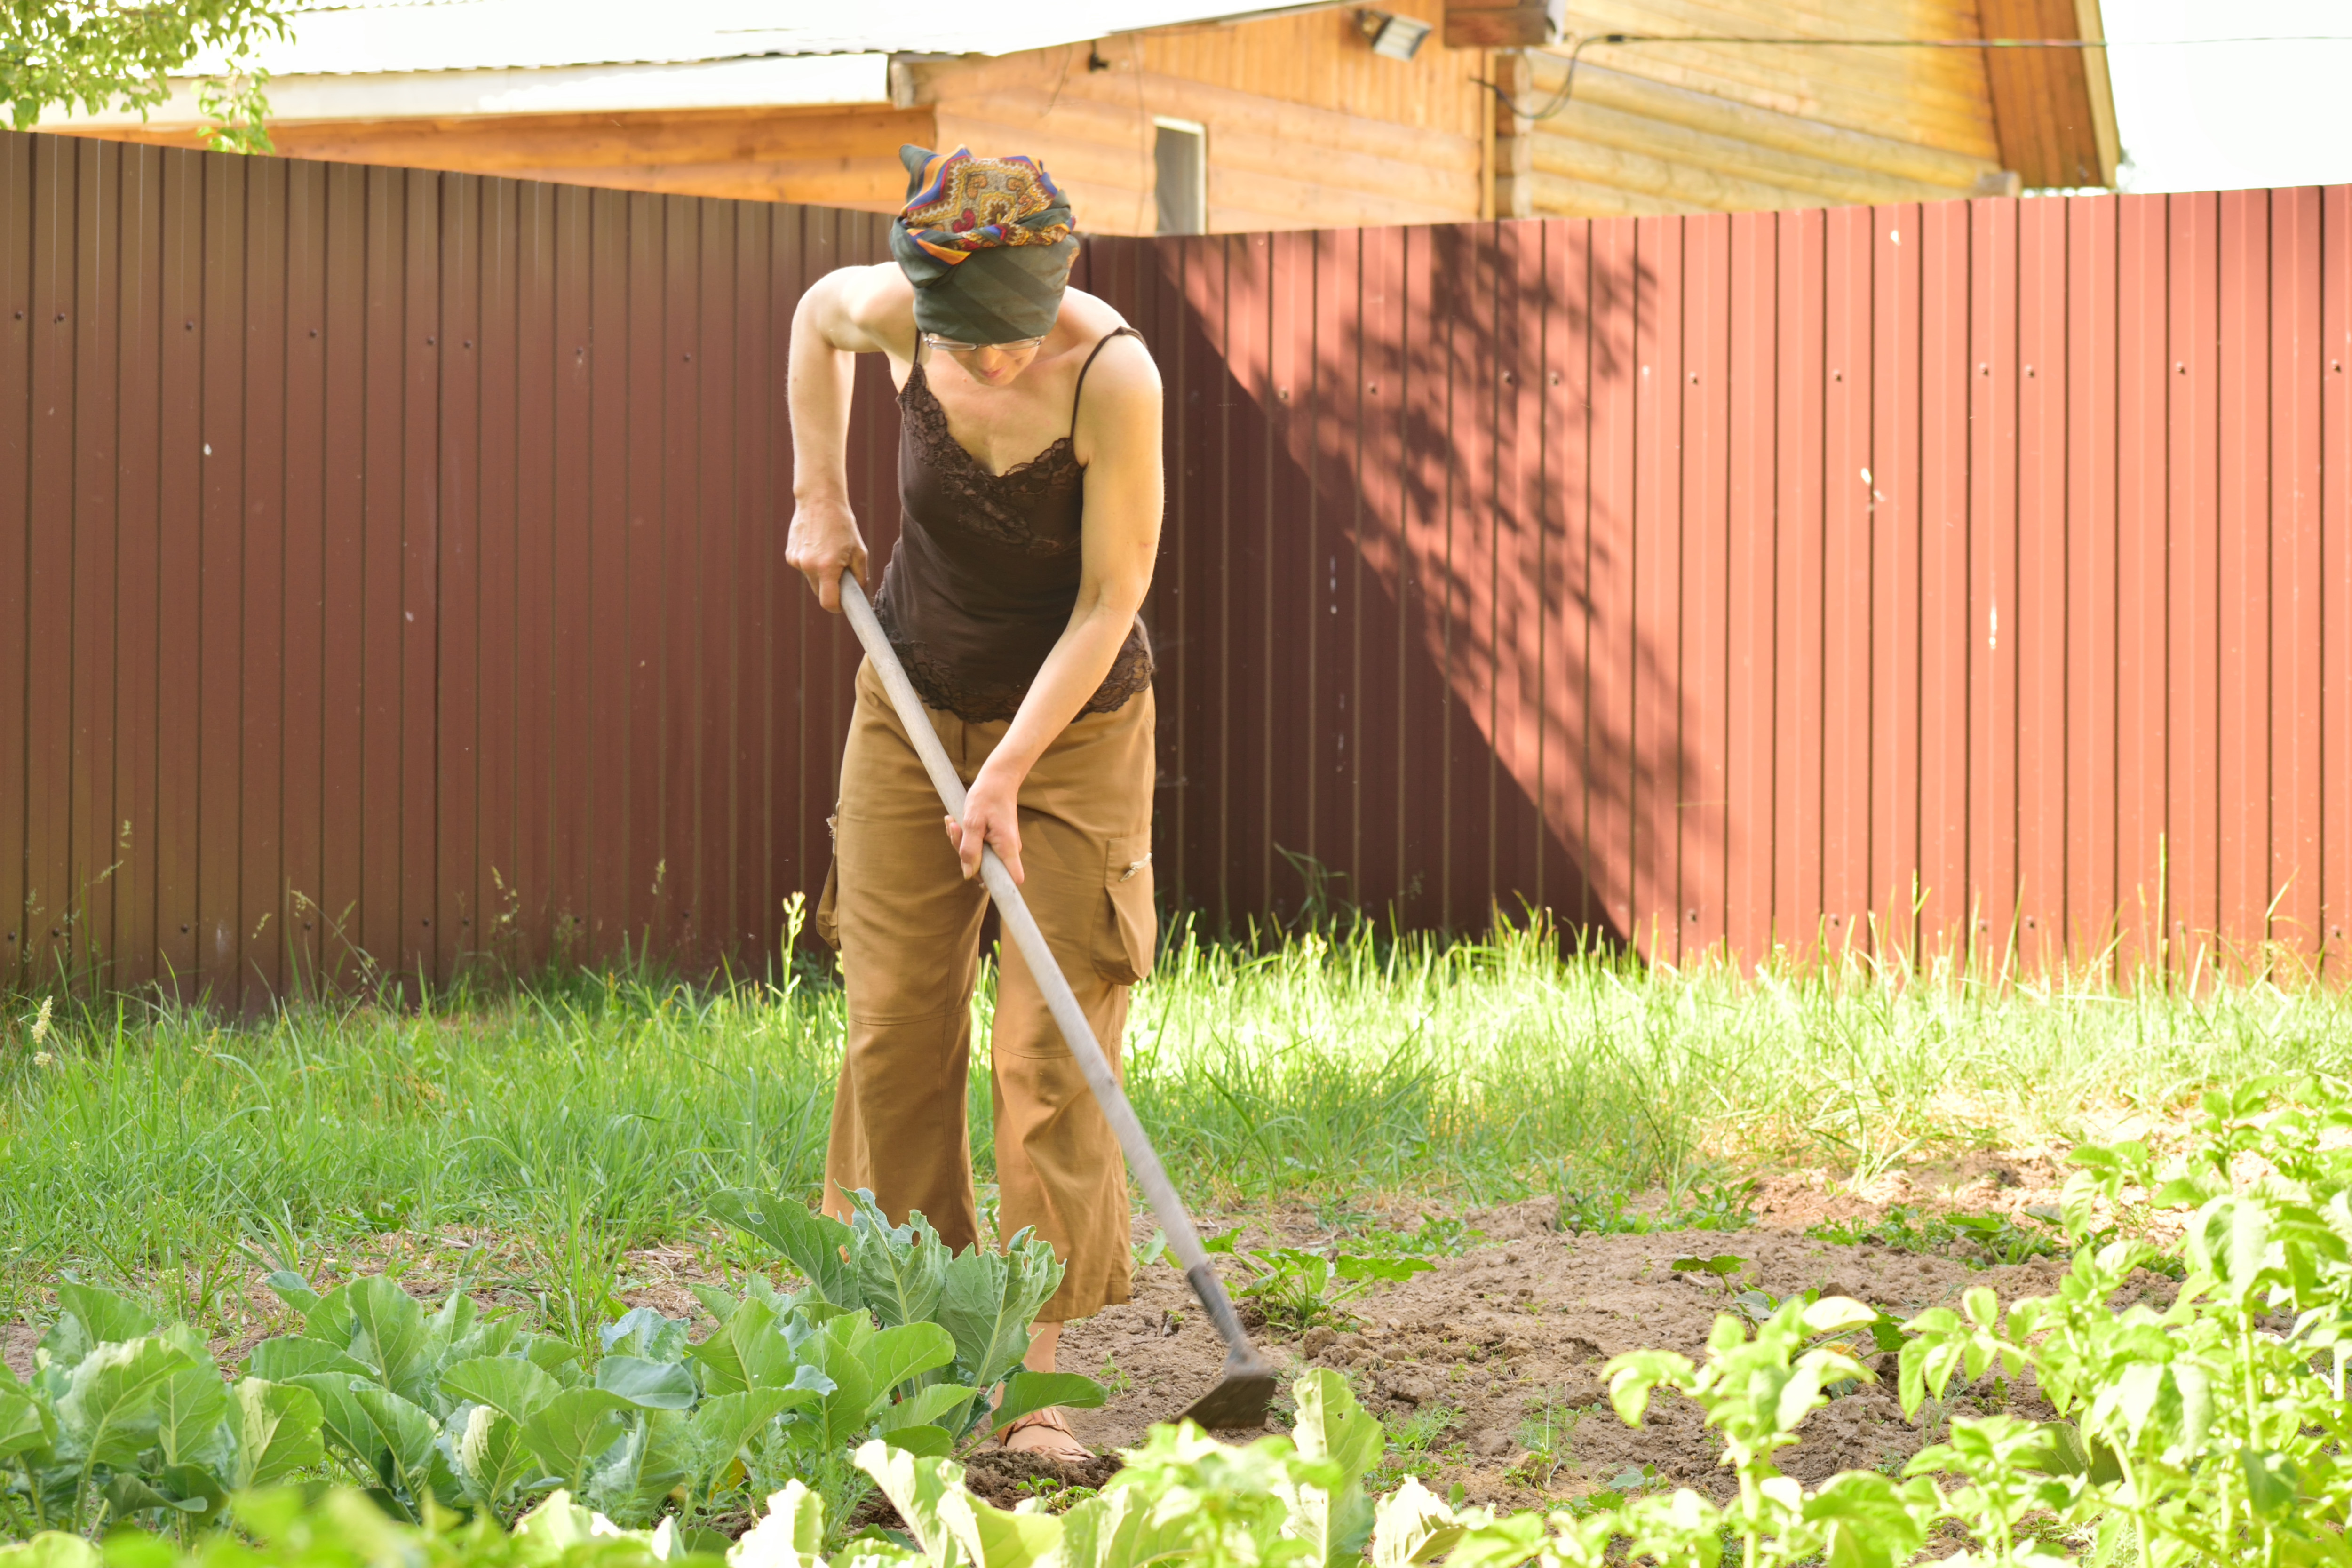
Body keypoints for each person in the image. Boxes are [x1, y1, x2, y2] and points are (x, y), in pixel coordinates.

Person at [783, 145, 1161, 1463]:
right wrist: (819, 492)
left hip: (1076, 732)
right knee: (895, 1029)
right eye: (960, 342)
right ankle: (927, 1345)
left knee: (1047, 1053)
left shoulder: (1117, 378)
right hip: (911, 697)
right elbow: (812, 322)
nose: (984, 366)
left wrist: (1007, 771)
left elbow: (1111, 600)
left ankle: (1032, 1383)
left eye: (1004, 343)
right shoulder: (898, 311)